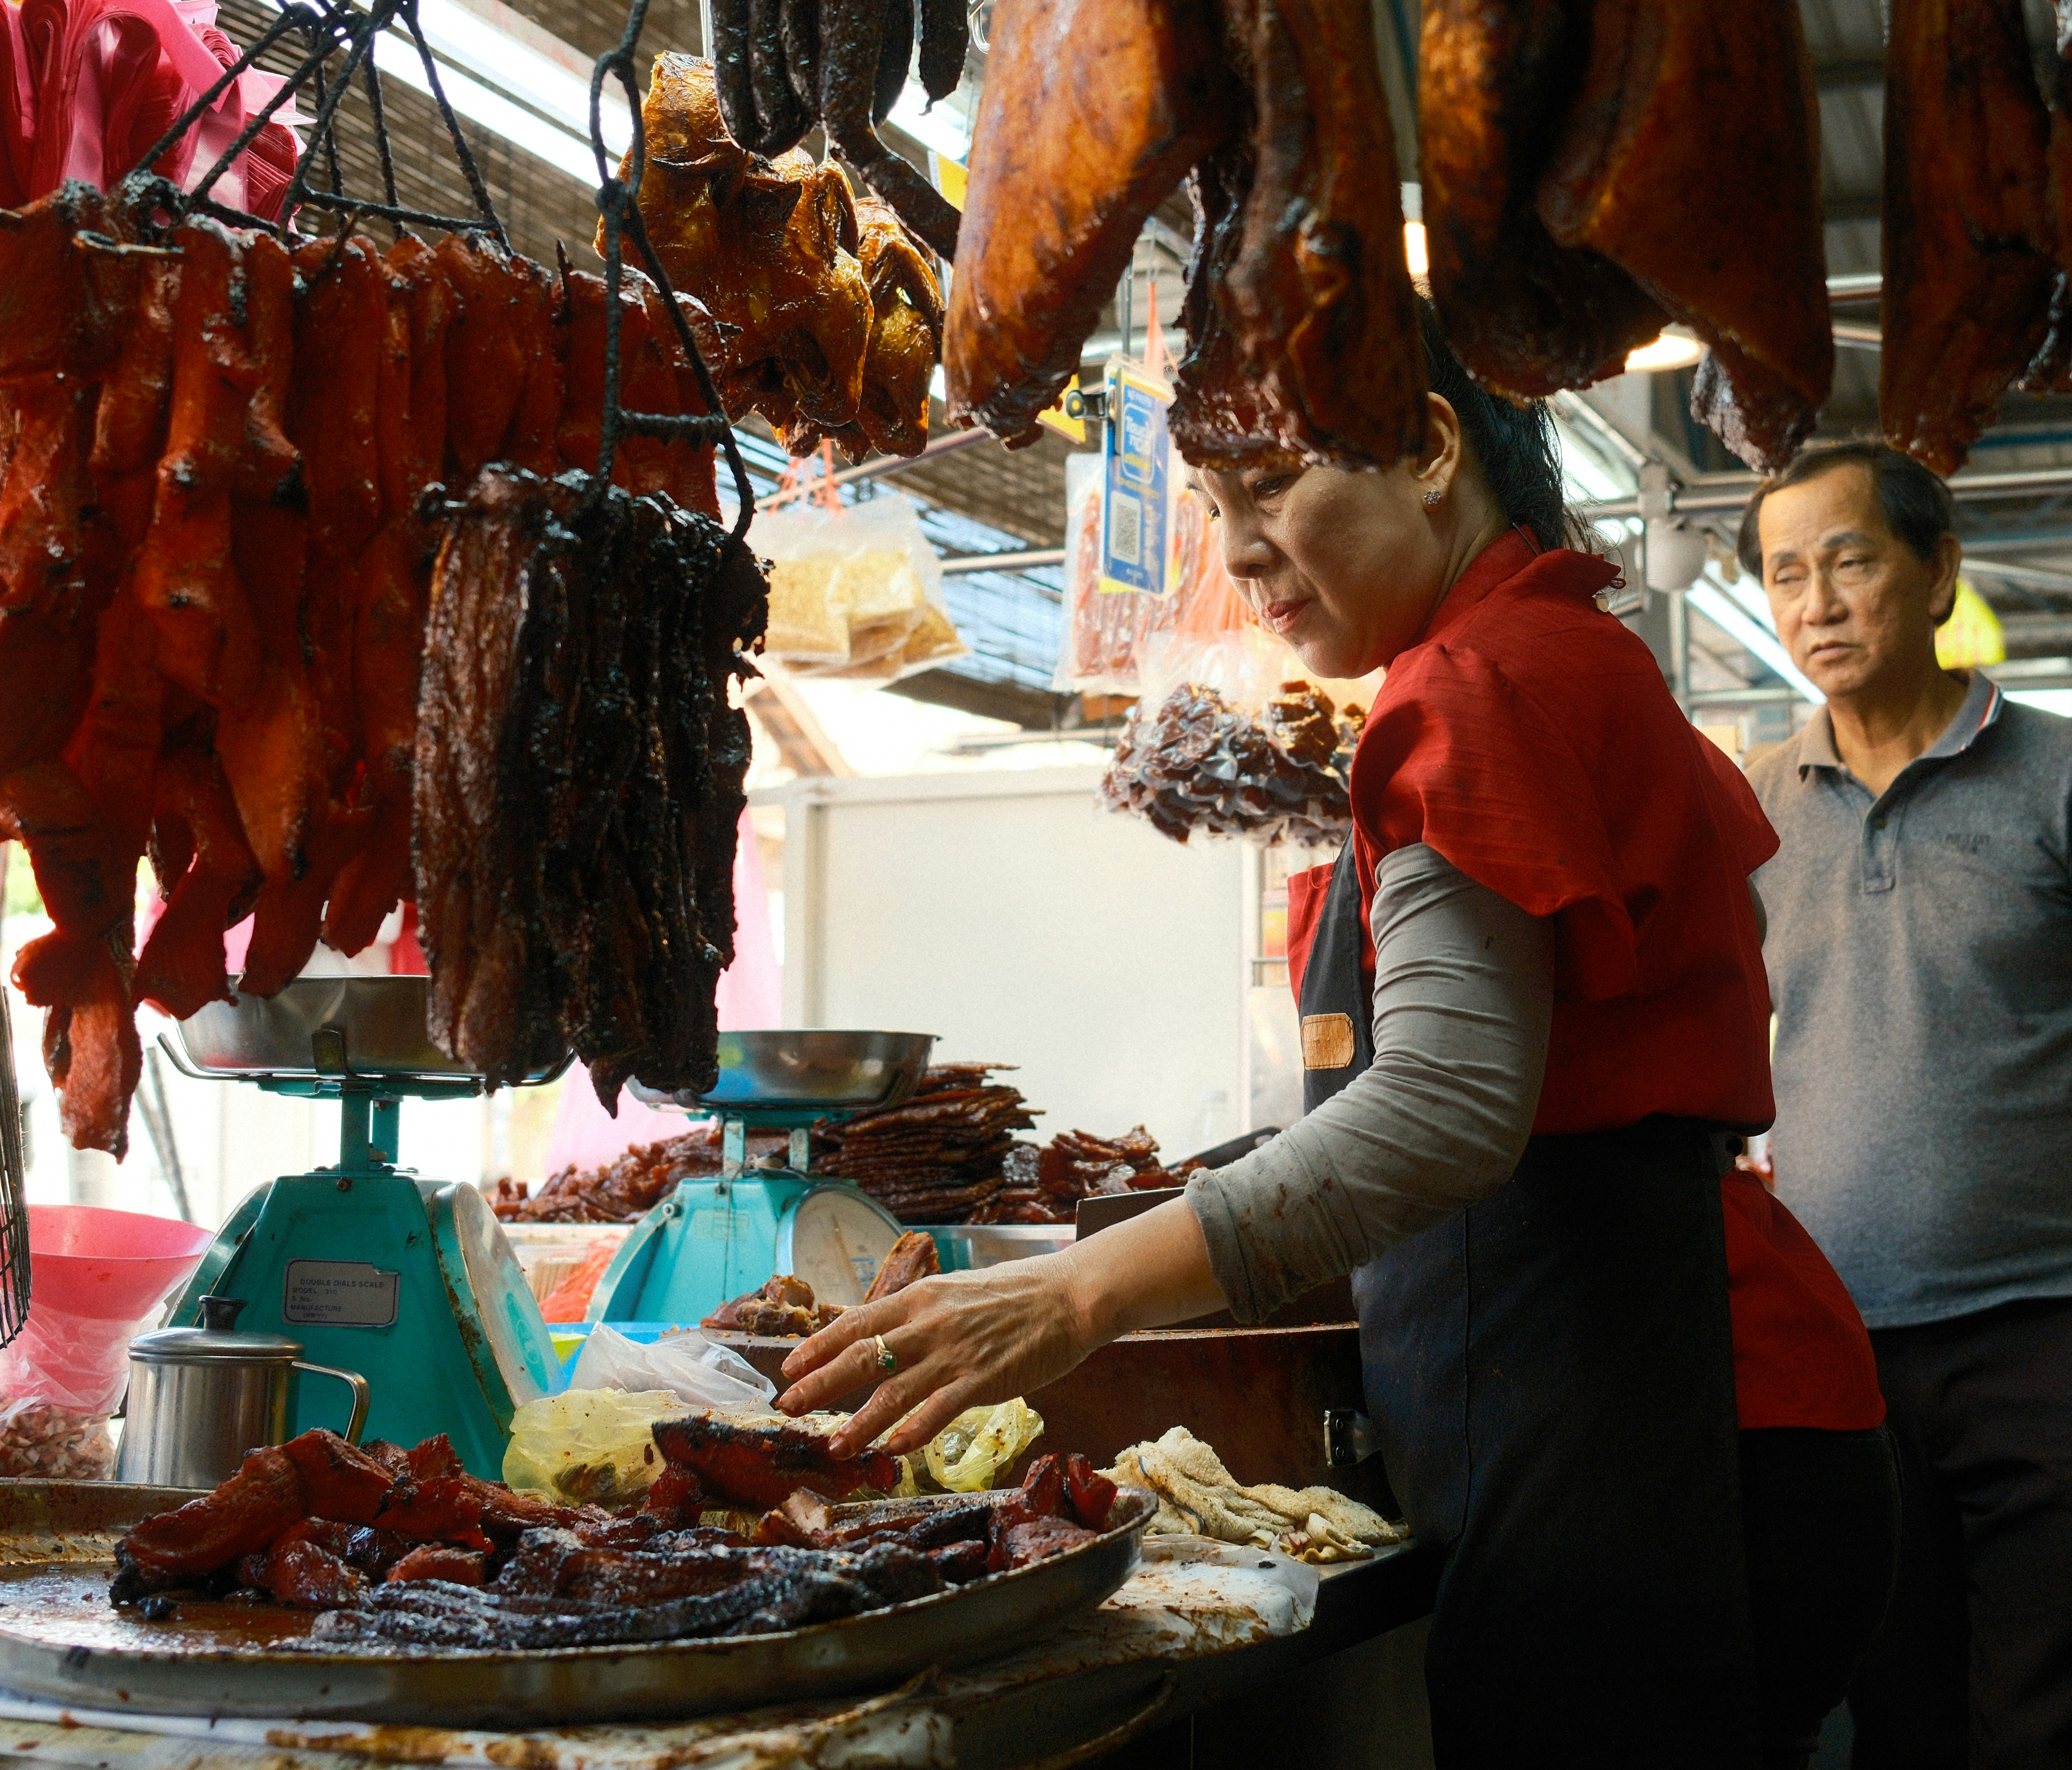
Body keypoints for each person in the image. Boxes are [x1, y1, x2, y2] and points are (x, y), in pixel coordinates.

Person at [779, 327, 1899, 1763]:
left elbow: (1443, 1106)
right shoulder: (1570, 651)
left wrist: (1076, 1295)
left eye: (1269, 487)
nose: (1239, 554)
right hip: (1710, 1404)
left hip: (1651, 1430)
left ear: (1429, 450)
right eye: (1214, 507)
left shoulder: (1476, 682)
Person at [1740, 439, 2072, 1767]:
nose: (1816, 604)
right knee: (1901, 1730)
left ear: (1937, 570)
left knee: (2068, 1734)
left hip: (2062, 1342)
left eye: (1849, 561)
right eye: (1785, 575)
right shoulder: (1756, 807)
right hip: (1846, 1357)